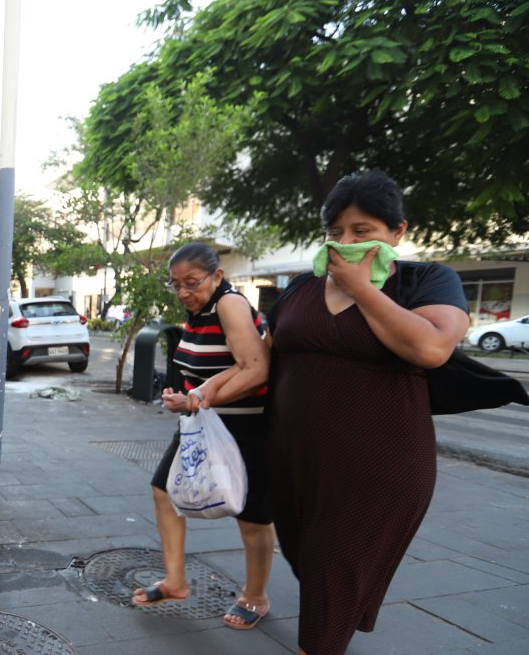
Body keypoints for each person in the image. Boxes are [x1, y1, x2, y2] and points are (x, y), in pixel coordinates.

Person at [262, 171, 470, 654]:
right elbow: (267, 358)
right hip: (294, 459)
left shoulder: (426, 281)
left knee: (332, 579)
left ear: (397, 233)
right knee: (310, 562)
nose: (346, 243)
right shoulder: (302, 286)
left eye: (363, 231)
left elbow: (432, 347)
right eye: (336, 233)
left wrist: (362, 288)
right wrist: (204, 393)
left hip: (379, 464)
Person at [132, 242, 275, 631]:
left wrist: (196, 400)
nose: (183, 292)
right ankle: (175, 581)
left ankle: (256, 596)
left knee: (252, 516)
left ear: (217, 276)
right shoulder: (197, 311)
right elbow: (208, 366)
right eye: (176, 285)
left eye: (191, 283)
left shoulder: (229, 304)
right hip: (203, 423)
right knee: (164, 490)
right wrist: (184, 396)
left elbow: (256, 370)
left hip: (246, 426)